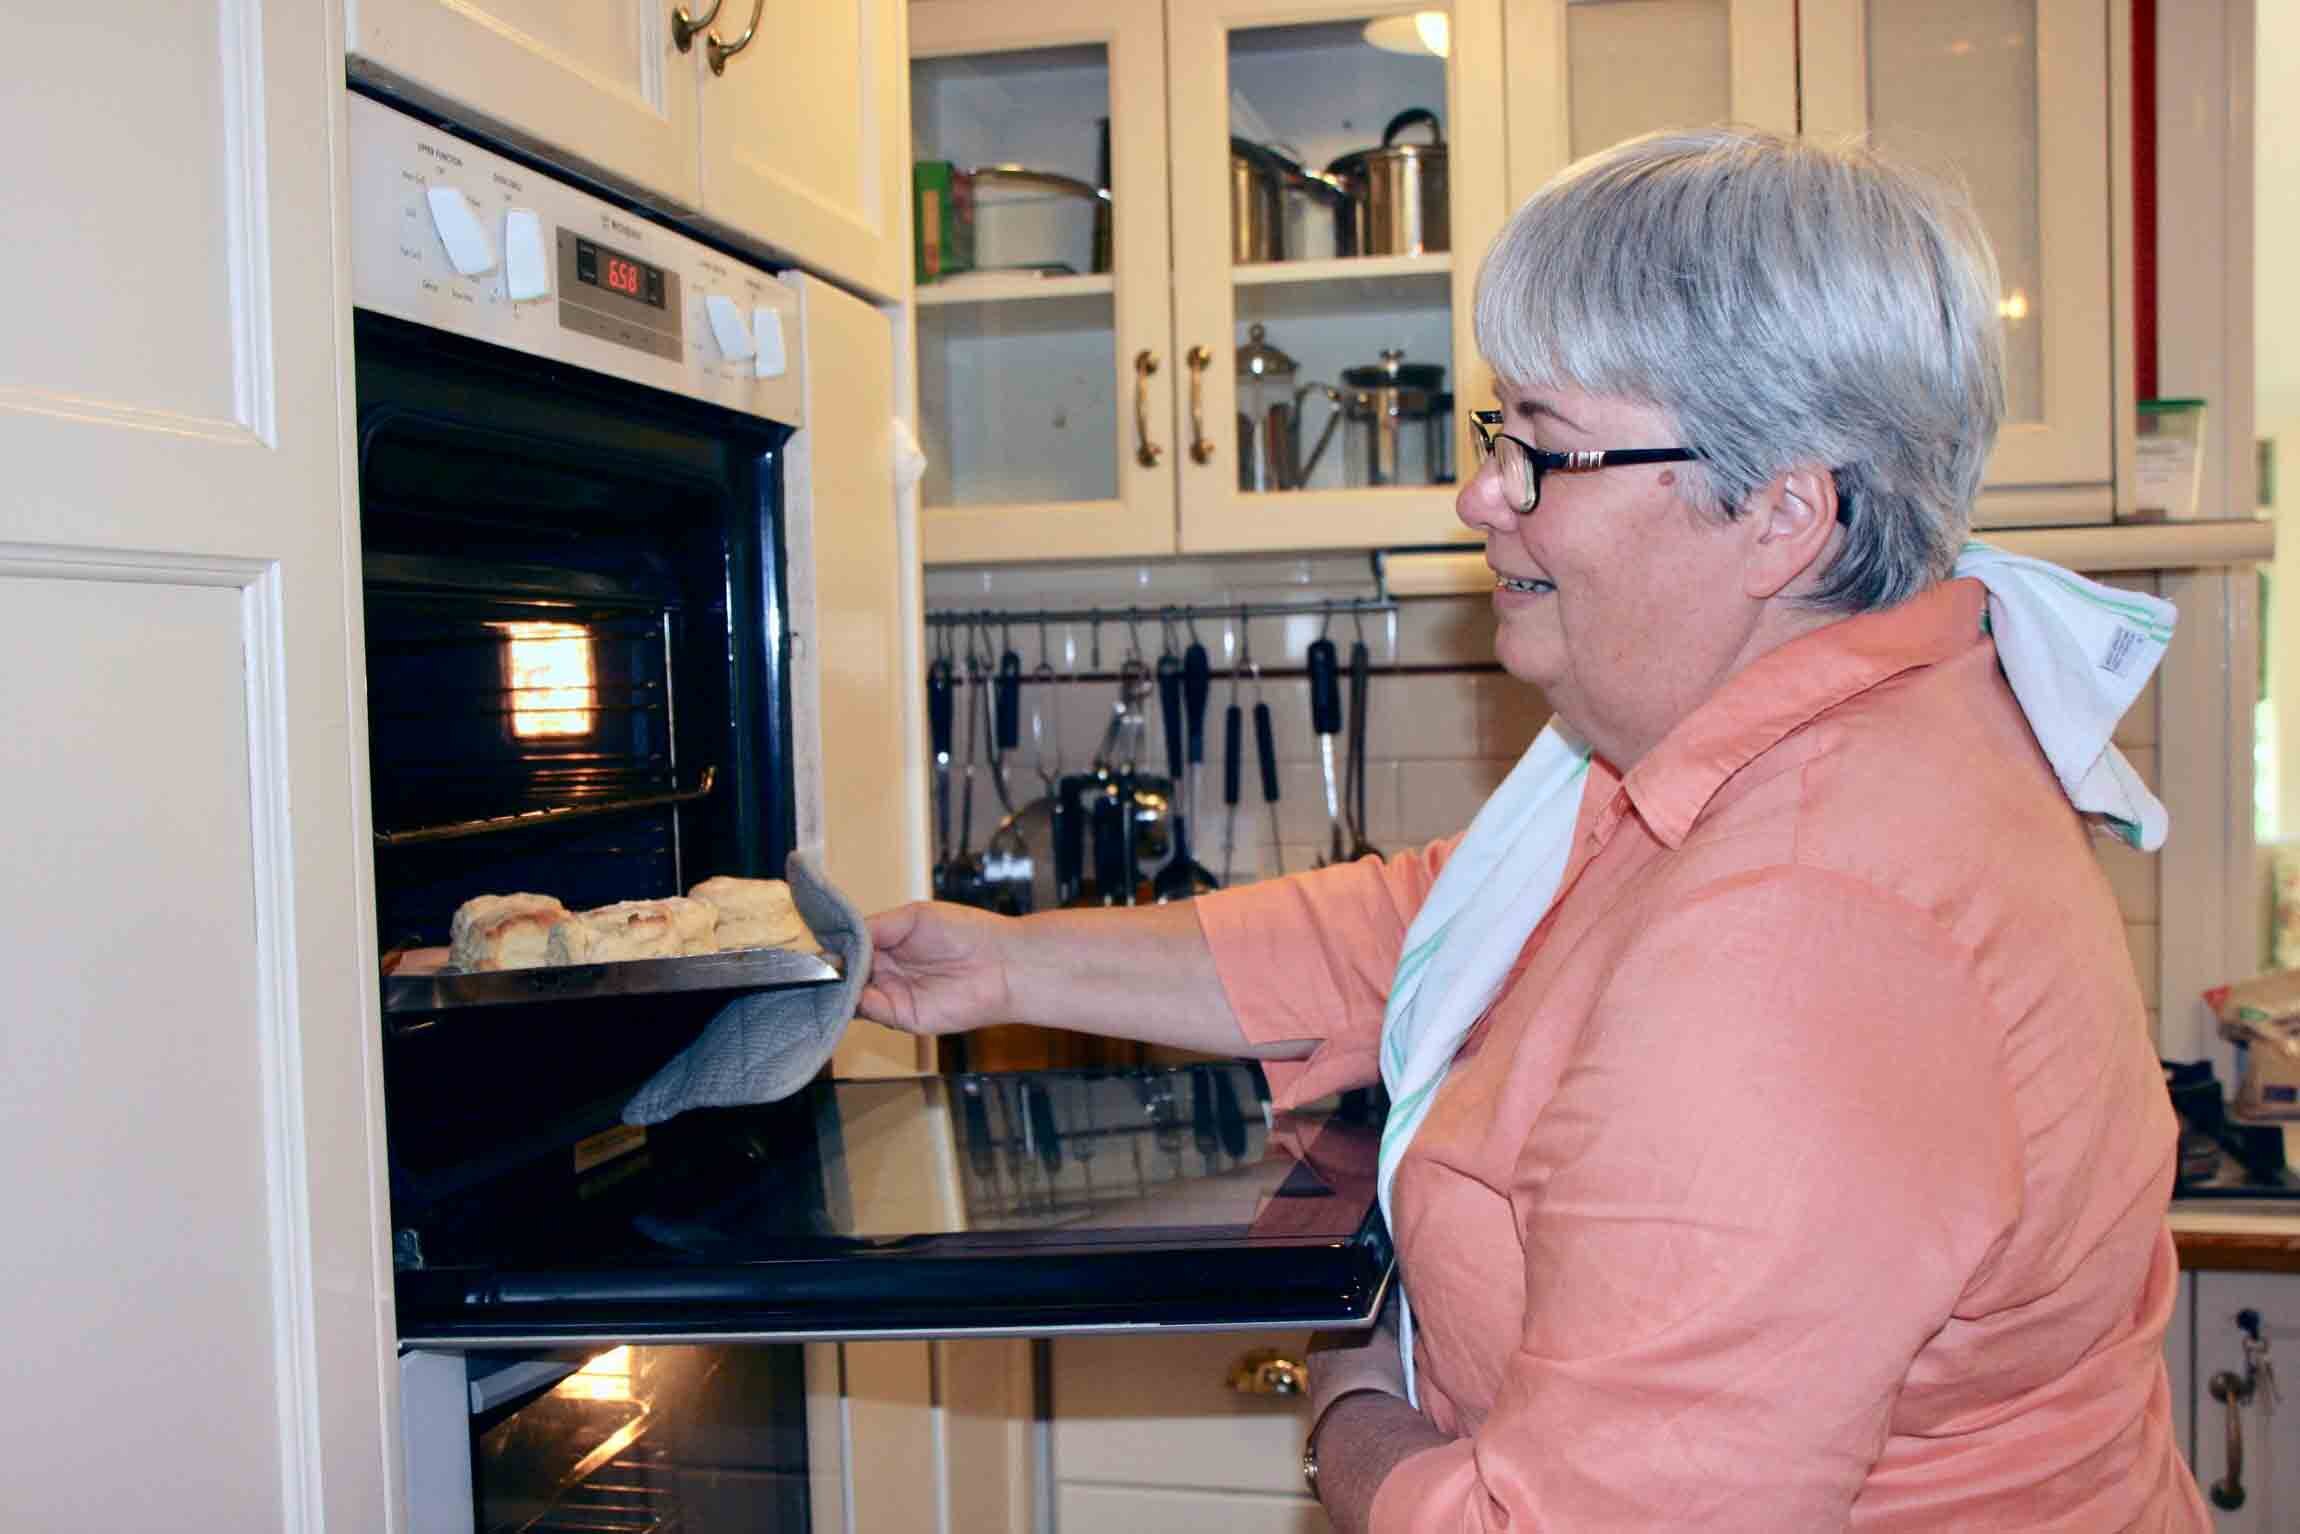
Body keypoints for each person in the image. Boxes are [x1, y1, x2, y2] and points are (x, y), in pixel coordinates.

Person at [858, 128, 2205, 1531]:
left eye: (1542, 451)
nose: (1480, 494)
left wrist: (1354, 1401)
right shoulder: (1776, 749)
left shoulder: (1803, 927)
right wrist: (1005, 965)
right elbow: (1418, 925)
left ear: (1781, 515)